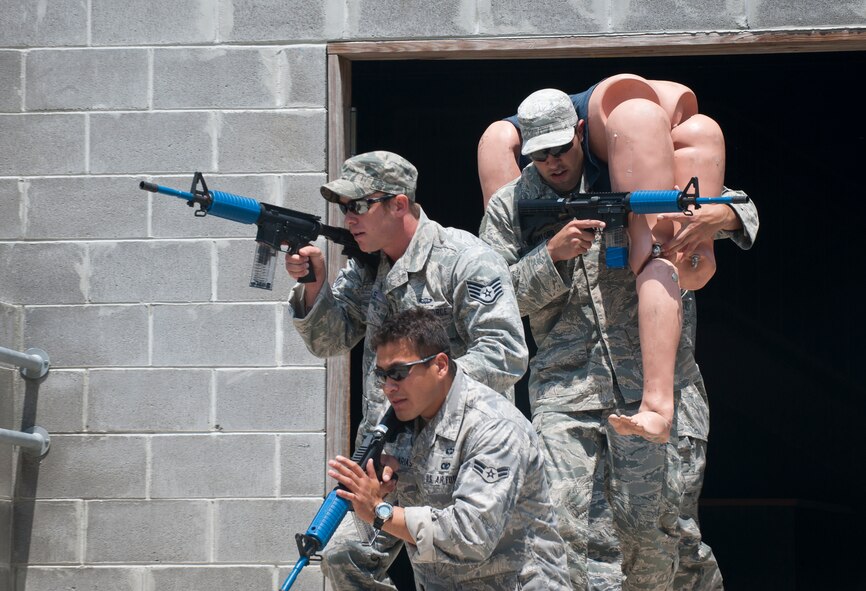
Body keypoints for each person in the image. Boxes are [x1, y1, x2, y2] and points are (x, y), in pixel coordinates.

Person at [478, 79, 758, 590]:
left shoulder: (628, 172)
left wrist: (727, 214)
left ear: (580, 132)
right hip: (566, 393)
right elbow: (490, 301)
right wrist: (550, 257)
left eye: (561, 149)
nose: (553, 163)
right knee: (562, 531)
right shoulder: (510, 206)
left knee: (659, 538)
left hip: (653, 389)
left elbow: (731, 205)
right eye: (540, 155)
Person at [285, 150, 529, 589]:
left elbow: (505, 352)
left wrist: (425, 392)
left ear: (399, 204)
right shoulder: (368, 268)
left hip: (455, 452)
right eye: (344, 207)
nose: (348, 218)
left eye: (359, 205)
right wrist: (314, 285)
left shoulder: (466, 259)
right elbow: (330, 340)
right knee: (342, 555)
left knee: (451, 574)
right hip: (384, 457)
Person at [327, 307, 571, 590]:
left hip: (514, 583)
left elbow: (472, 535)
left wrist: (381, 512)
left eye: (398, 373)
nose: (388, 387)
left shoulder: (494, 426)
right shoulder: (398, 418)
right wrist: (382, 491)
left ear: (440, 365)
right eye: (382, 375)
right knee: (340, 550)